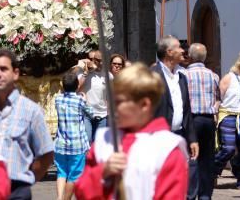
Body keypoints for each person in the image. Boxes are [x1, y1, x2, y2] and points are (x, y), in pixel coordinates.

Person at [74, 63, 189, 200]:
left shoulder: (166, 149)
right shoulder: (104, 140)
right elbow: (81, 191)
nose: (111, 107)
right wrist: (103, 171)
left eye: (119, 102)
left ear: (144, 105)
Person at [0, 48, 54, 199]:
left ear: (15, 73)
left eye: (3, 69)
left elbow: (46, 153)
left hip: (16, 191)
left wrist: (29, 178)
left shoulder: (31, 111)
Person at [152, 37, 199, 160]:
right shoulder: (152, 75)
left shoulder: (181, 77)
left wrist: (192, 139)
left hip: (179, 136)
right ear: (169, 52)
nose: (183, 50)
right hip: (158, 138)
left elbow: (187, 111)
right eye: (179, 47)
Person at [214, 50, 240, 189]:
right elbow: (218, 97)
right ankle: (212, 169)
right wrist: (215, 114)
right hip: (228, 116)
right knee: (229, 148)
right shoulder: (228, 77)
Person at [185, 43, 220, 200]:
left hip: (192, 119)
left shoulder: (184, 75)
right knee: (207, 159)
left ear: (190, 56)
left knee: (192, 157)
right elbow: (219, 98)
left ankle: (191, 194)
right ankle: (205, 195)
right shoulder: (213, 75)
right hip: (208, 119)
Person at [54, 70, 93, 200]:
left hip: (60, 144)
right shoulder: (80, 100)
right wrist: (85, 99)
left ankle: (59, 197)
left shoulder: (58, 99)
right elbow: (91, 113)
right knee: (74, 175)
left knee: (61, 173)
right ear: (77, 86)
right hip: (77, 145)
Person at [81, 49, 109, 143]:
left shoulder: (108, 76)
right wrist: (85, 72)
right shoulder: (85, 73)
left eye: (102, 60)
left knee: (98, 143)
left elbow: (111, 95)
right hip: (87, 114)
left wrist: (108, 110)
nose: (99, 63)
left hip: (102, 115)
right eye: (96, 60)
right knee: (87, 140)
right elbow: (77, 87)